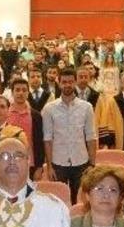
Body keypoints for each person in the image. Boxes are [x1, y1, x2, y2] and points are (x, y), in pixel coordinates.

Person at [42, 67, 97, 204]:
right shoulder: (49, 108)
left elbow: (91, 137)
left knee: (80, 201)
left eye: (70, 82)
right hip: (58, 162)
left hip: (81, 161)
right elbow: (47, 139)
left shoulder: (87, 107)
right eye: (64, 82)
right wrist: (49, 166)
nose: (67, 85)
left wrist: (92, 164)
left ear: (75, 82)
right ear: (59, 83)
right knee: (58, 201)